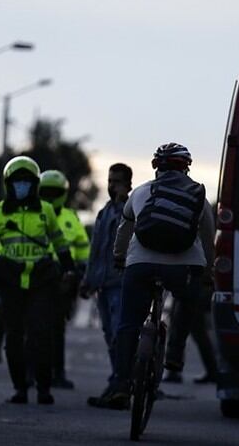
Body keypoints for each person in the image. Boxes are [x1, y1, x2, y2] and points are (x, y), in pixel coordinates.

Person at [93, 143, 215, 410]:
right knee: (187, 300)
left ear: (155, 167)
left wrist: (119, 258)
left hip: (140, 266)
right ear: (186, 167)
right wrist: (207, 272)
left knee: (127, 324)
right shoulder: (198, 195)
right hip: (183, 268)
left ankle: (123, 384)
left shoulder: (141, 192)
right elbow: (207, 236)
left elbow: (124, 229)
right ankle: (174, 356)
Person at [0, 156, 76, 405]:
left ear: (35, 184)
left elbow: (60, 244)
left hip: (41, 281)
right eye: (17, 181)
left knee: (41, 336)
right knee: (14, 338)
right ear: (9, 184)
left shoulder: (46, 211)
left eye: (27, 181)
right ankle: (20, 388)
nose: (22, 185)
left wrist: (69, 269)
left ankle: (43, 388)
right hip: (10, 281)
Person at [82, 163, 133, 407]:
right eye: (110, 181)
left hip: (120, 284)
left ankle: (122, 384)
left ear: (128, 184)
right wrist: (88, 280)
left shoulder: (130, 210)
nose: (112, 186)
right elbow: (96, 250)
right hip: (103, 284)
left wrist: (125, 204)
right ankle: (116, 382)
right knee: (109, 334)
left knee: (118, 335)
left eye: (118, 181)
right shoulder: (104, 212)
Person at [38, 169, 90, 390]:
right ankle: (32, 372)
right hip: (37, 275)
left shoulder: (71, 218)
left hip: (62, 278)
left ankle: (58, 374)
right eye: (46, 191)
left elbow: (82, 247)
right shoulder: (33, 213)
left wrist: (79, 271)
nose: (50, 196)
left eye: (54, 192)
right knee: (35, 328)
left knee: (57, 330)